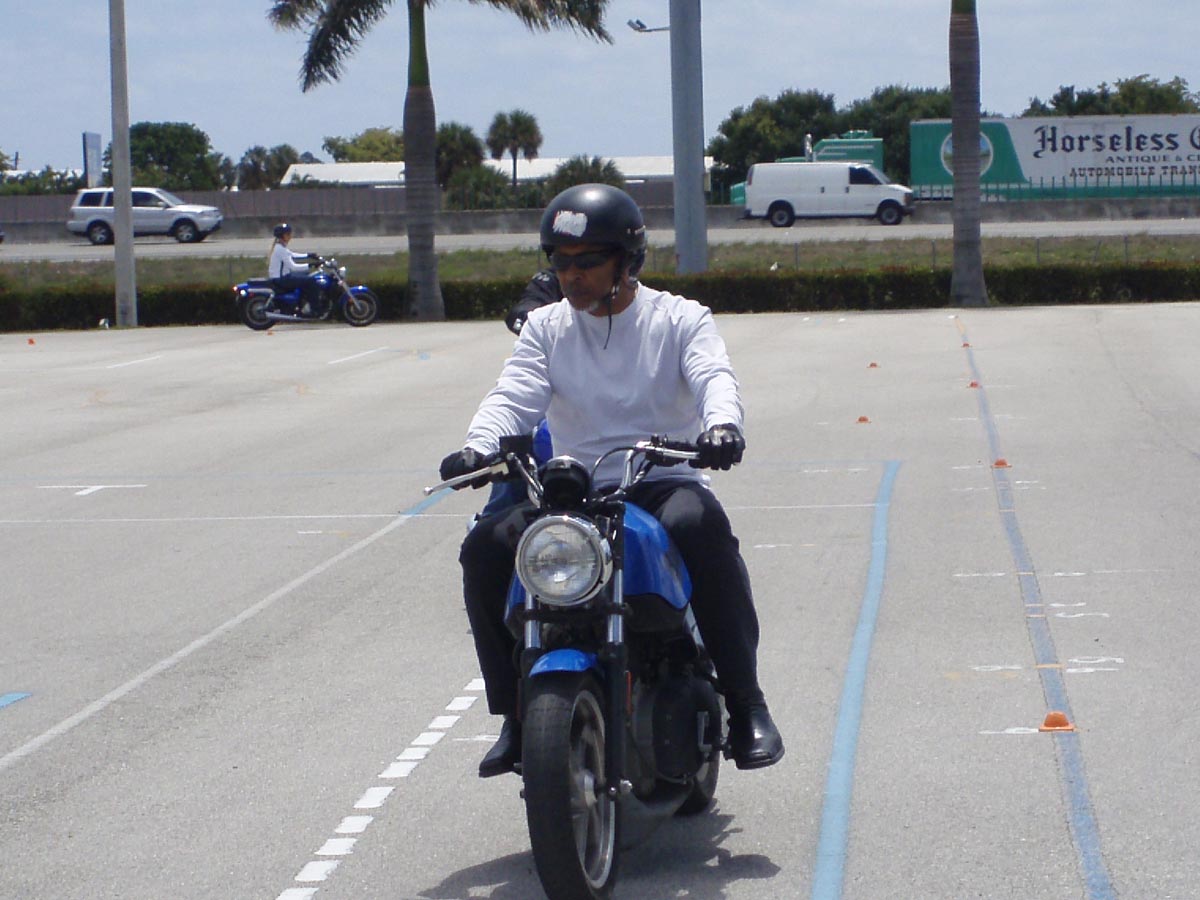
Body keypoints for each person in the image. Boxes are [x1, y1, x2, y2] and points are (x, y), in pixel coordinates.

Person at [439, 183, 784, 778]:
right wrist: (478, 446)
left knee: (701, 527)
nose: (571, 275)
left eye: (588, 261)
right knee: (486, 548)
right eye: (561, 262)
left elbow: (713, 376)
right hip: (573, 489)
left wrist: (722, 427)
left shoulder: (679, 318)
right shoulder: (546, 327)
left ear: (627, 261)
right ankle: (516, 715)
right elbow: (512, 397)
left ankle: (748, 704)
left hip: (660, 478)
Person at [268, 223, 322, 316]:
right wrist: (311, 265)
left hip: (283, 277)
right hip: (281, 279)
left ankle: (303, 304)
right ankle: (315, 310)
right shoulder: (280, 249)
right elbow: (293, 267)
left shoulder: (280, 247)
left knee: (306, 276)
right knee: (311, 281)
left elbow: (292, 255)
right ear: (281, 236)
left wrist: (309, 255)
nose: (290, 236)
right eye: (287, 234)